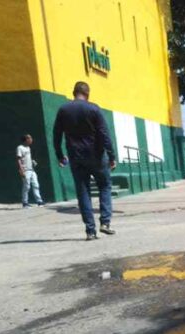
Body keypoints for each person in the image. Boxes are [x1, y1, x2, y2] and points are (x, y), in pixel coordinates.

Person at [53, 81, 116, 241]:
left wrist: (60, 155)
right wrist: (111, 155)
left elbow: (56, 135)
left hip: (76, 157)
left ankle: (90, 231)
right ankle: (105, 223)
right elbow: (104, 134)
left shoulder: (63, 110)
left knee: (83, 192)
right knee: (104, 186)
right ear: (88, 94)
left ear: (73, 92)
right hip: (96, 155)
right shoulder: (94, 108)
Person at [16, 134, 44, 208]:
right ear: (25, 140)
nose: (31, 139)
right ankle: (25, 203)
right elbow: (19, 159)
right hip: (25, 170)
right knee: (27, 186)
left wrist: (32, 161)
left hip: (31, 170)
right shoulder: (20, 148)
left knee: (36, 185)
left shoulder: (28, 148)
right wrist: (21, 169)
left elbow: (27, 158)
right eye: (29, 138)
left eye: (31, 138)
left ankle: (39, 201)